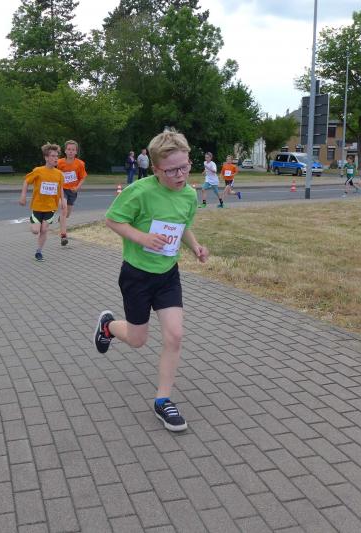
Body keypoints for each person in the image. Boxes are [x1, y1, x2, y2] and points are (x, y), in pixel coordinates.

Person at [93, 129, 209, 432]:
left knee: (175, 335)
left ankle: (163, 400)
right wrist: (142, 237)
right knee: (137, 340)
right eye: (171, 170)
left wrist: (195, 246)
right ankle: (108, 326)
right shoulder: (140, 192)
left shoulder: (188, 194)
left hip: (168, 275)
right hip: (137, 276)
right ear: (155, 169)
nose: (180, 175)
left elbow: (182, 226)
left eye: (185, 167)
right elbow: (112, 219)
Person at [19, 143, 65, 261]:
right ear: (46, 158)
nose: (56, 158)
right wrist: (23, 196)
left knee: (44, 230)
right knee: (36, 231)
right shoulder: (38, 171)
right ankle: (33, 223)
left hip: (51, 207)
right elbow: (26, 181)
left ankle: (39, 252)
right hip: (37, 206)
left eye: (57, 156)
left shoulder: (59, 174)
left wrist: (62, 200)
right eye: (53, 156)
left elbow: (60, 188)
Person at [57, 140, 87, 246]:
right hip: (62, 189)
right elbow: (55, 174)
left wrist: (77, 187)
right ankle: (63, 236)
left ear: (76, 152)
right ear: (65, 151)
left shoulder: (80, 164)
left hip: (72, 191)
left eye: (73, 150)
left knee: (67, 214)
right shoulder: (59, 162)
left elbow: (83, 177)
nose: (70, 151)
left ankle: (62, 219)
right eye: (69, 149)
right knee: (64, 209)